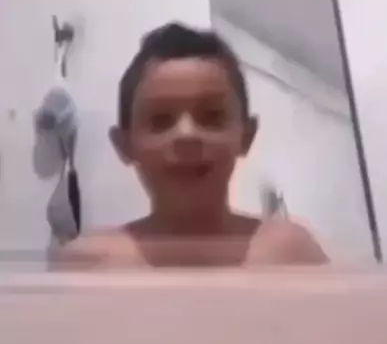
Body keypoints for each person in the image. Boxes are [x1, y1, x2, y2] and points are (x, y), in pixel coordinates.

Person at [54, 23, 328, 269]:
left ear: (246, 136)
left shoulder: (288, 250)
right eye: (160, 120)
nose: (187, 135)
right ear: (124, 145)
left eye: (212, 116)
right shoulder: (91, 261)